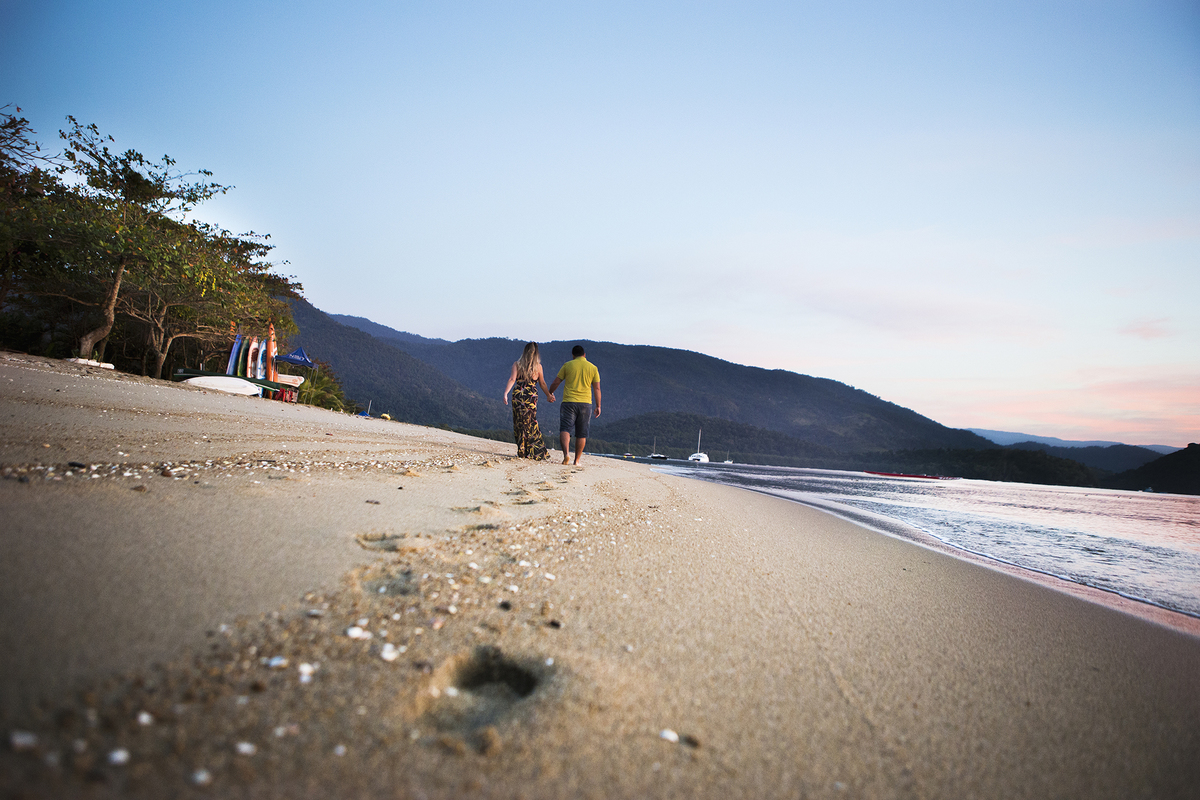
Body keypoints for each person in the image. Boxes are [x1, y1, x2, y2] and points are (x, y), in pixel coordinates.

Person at [547, 344, 601, 465]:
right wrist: (598, 406)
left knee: (565, 429)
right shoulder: (593, 368)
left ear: (573, 355)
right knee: (582, 433)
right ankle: (576, 461)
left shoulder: (568, 365)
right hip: (586, 403)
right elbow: (597, 389)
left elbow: (556, 382)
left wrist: (550, 393)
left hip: (568, 402)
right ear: (584, 355)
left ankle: (566, 454)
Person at [503, 342, 555, 459]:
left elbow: (512, 379)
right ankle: (535, 451)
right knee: (531, 422)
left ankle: (522, 450)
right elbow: (542, 383)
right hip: (530, 396)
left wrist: (506, 393)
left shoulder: (517, 364)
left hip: (518, 395)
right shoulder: (538, 367)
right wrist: (548, 395)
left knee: (519, 423)